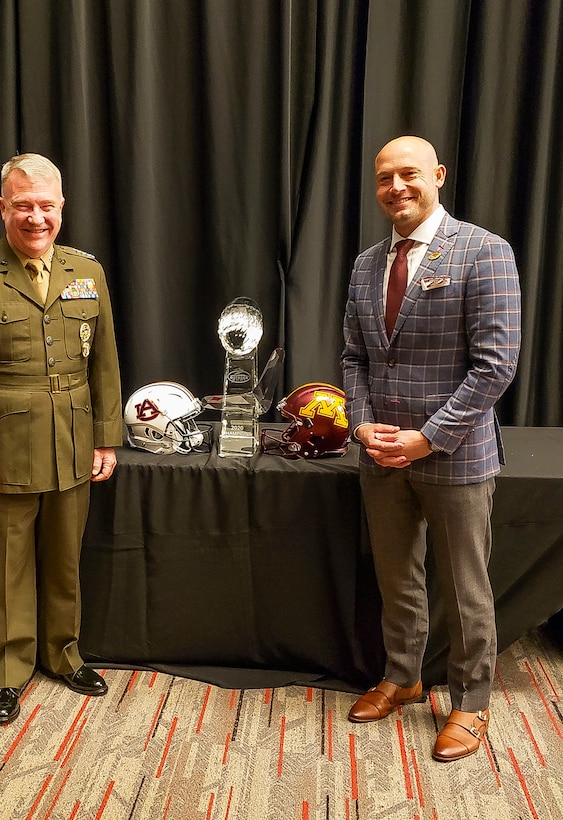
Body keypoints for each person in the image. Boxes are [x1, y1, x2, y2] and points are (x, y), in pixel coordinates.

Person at [341, 136, 521, 761]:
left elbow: (496, 366)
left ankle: (471, 702)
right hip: (381, 455)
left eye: (409, 174)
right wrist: (361, 424)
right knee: (398, 580)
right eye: (385, 177)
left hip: (454, 455)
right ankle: (403, 675)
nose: (397, 187)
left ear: (438, 176)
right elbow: (354, 358)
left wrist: (428, 438)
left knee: (466, 588)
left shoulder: (485, 252)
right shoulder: (367, 265)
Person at [0, 153, 122, 726]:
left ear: (62, 208)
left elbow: (105, 363)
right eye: (23, 207)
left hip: (72, 442)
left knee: (64, 559)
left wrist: (106, 438)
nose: (35, 219)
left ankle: (63, 654)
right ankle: (6, 672)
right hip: (3, 447)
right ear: (2, 208)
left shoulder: (87, 272)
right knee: (6, 567)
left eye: (46, 206)